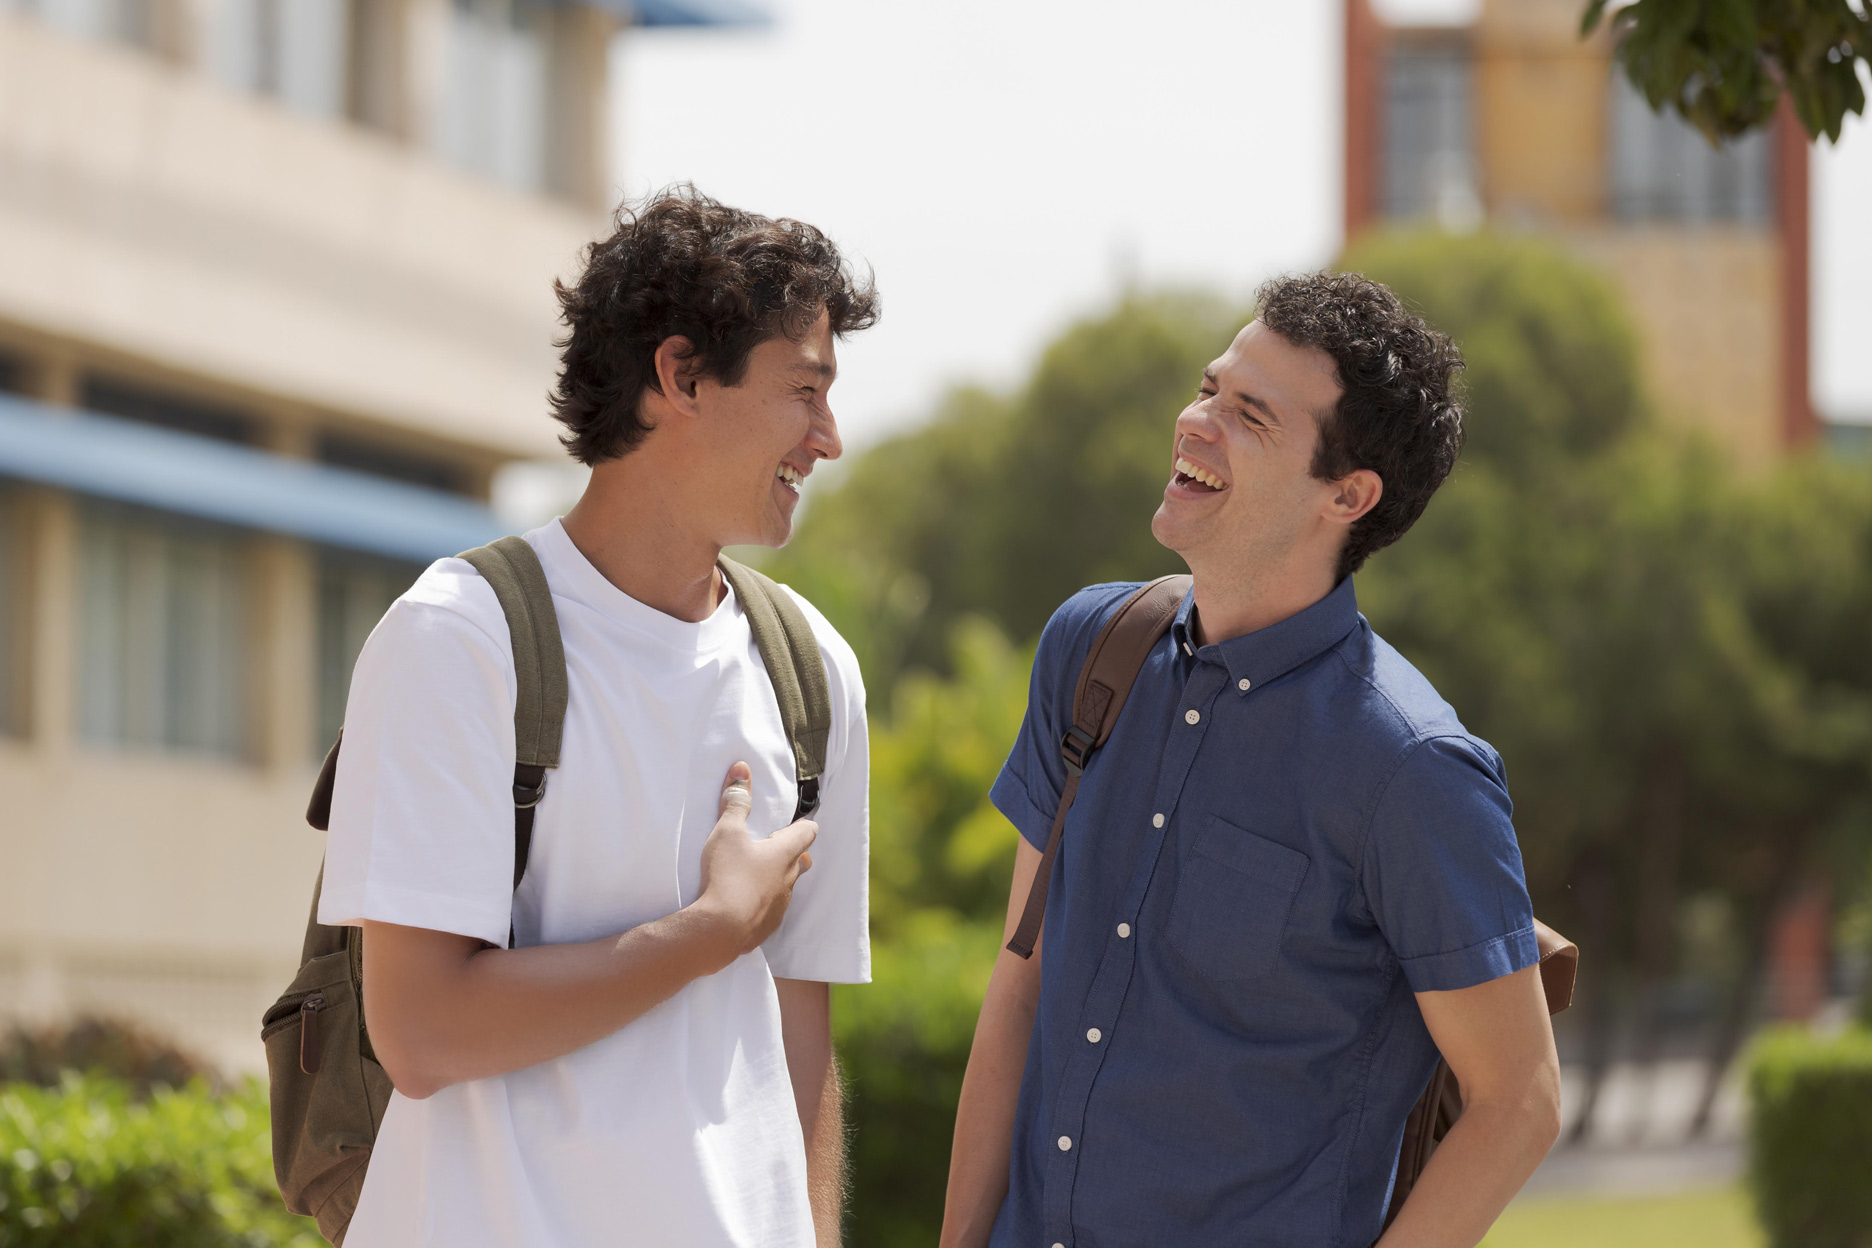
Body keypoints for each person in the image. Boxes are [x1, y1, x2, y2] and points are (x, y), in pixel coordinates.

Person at [941, 273, 1563, 1248]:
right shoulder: (1091, 652)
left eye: (1250, 415)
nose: (1195, 423)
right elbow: (1022, 983)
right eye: (1209, 388)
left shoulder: (1414, 770)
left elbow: (1520, 1100)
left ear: (1347, 494)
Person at [317, 188, 877, 1247]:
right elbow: (421, 1034)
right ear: (681, 376)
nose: (829, 438)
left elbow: (799, 1037)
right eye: (804, 391)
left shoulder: (811, 672)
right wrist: (707, 933)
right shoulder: (458, 638)